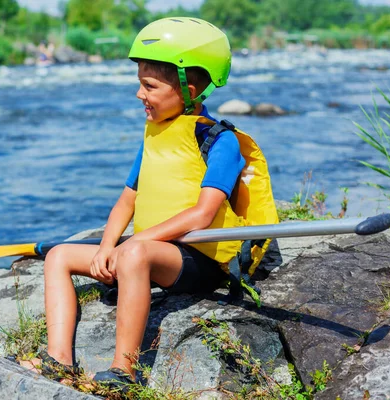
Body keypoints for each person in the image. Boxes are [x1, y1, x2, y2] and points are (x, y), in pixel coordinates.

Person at [20, 17, 276, 390]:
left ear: (188, 90)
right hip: (152, 251)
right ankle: (58, 359)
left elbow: (203, 214)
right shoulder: (154, 136)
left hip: (198, 259)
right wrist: (106, 248)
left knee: (134, 256)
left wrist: (136, 244)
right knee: (59, 256)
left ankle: (125, 371)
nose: (140, 94)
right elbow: (127, 201)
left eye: (149, 86)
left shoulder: (221, 142)